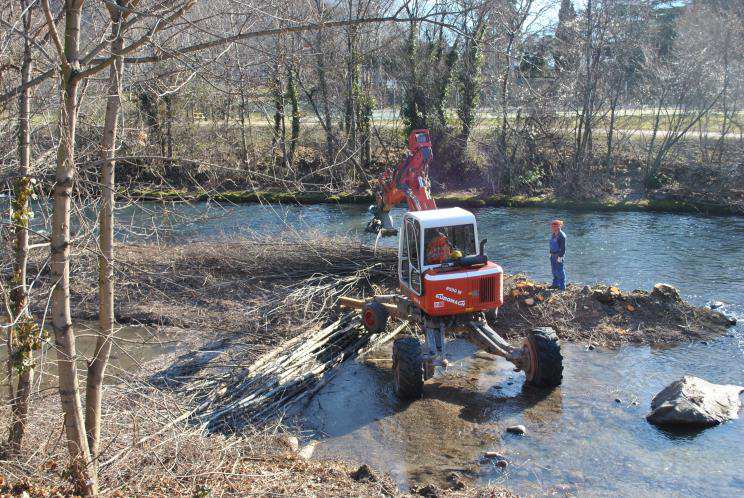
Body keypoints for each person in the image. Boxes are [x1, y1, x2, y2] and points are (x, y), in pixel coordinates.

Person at [549, 220, 567, 290]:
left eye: (555, 225)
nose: (553, 227)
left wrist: (560, 257)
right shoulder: (553, 234)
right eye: (552, 225)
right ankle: (555, 284)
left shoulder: (562, 236)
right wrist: (550, 253)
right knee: (554, 270)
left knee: (560, 271)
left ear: (559, 226)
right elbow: (551, 245)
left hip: (558, 255)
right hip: (552, 255)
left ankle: (562, 287)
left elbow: (563, 248)